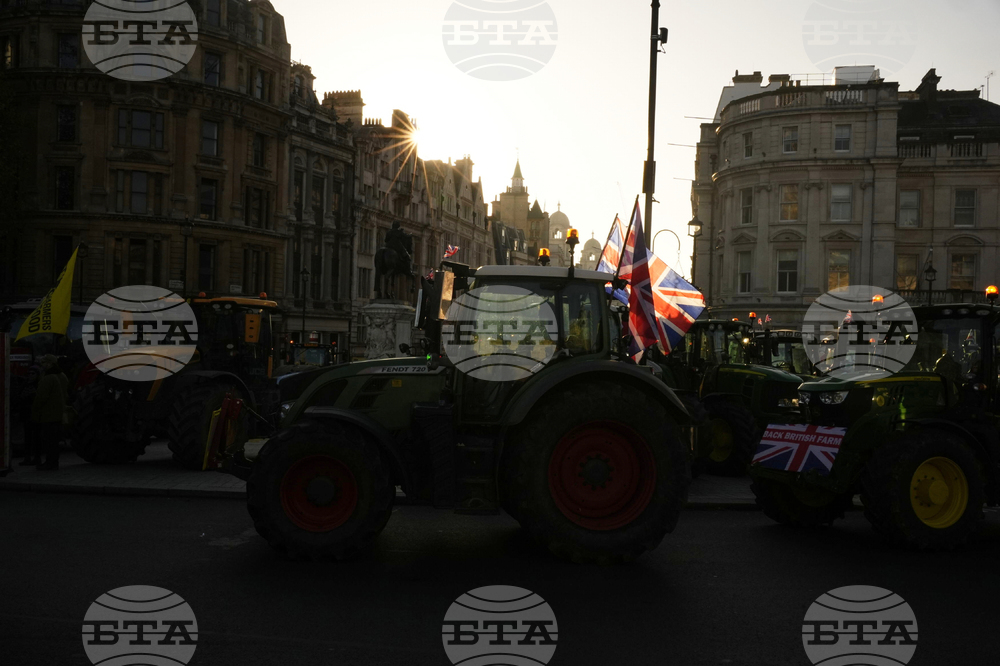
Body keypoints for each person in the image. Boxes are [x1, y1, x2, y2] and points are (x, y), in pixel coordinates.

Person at [31, 354, 67, 471]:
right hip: (56, 414)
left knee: (49, 441)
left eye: (44, 363)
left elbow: (41, 397)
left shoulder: (48, 378)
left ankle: (49, 463)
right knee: (53, 441)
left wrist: (35, 410)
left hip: (48, 415)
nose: (42, 366)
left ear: (50, 364)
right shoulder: (60, 376)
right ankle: (52, 462)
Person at [18, 365, 42, 466]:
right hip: (27, 414)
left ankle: (36, 458)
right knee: (28, 438)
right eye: (29, 374)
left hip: (34, 414)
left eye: (33, 374)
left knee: (36, 438)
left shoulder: (38, 385)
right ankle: (27, 457)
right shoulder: (25, 385)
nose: (30, 375)